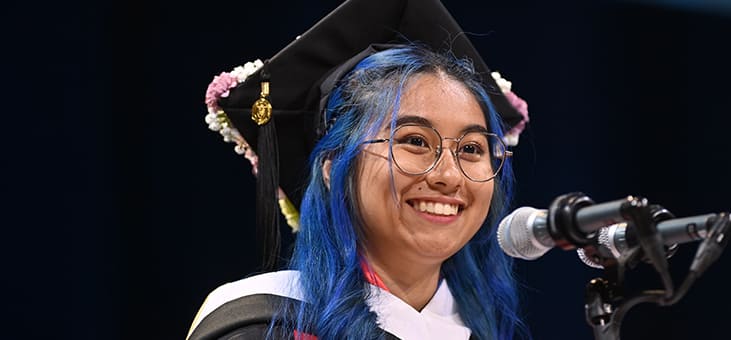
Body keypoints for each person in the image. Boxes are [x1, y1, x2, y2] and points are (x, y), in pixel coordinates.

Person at [188, 0, 530, 339]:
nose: (449, 176)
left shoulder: (484, 331)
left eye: (471, 149)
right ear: (333, 165)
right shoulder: (263, 326)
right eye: (415, 141)